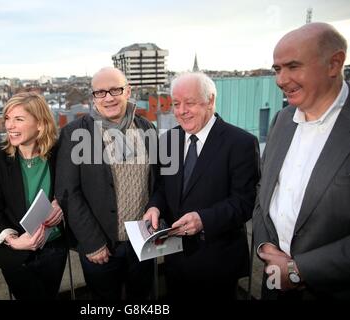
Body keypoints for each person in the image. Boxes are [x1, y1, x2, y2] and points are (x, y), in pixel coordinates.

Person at [253, 22, 350, 300]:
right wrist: (264, 248)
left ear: (334, 63)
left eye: (293, 66)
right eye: (277, 69)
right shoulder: (282, 120)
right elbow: (264, 193)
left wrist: (299, 270)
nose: (281, 80)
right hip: (273, 285)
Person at [144, 72, 260, 300]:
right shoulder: (168, 140)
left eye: (190, 102)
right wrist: (155, 206)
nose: (181, 111)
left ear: (211, 101)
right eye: (176, 104)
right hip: (175, 258)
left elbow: (245, 202)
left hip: (218, 261)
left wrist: (203, 220)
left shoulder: (241, 143)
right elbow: (161, 187)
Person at [55, 67, 158, 300]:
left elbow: (156, 181)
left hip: (142, 242)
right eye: (100, 92)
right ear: (93, 97)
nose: (108, 97)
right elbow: (67, 192)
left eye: (115, 90)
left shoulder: (146, 128)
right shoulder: (74, 133)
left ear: (128, 91)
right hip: (100, 247)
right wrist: (92, 243)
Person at [0, 92, 68, 300]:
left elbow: (71, 190)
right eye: (7, 119)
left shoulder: (59, 152)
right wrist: (13, 241)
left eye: (18, 119)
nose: (9, 126)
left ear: (40, 124)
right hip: (16, 253)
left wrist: (61, 205)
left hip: (54, 248)